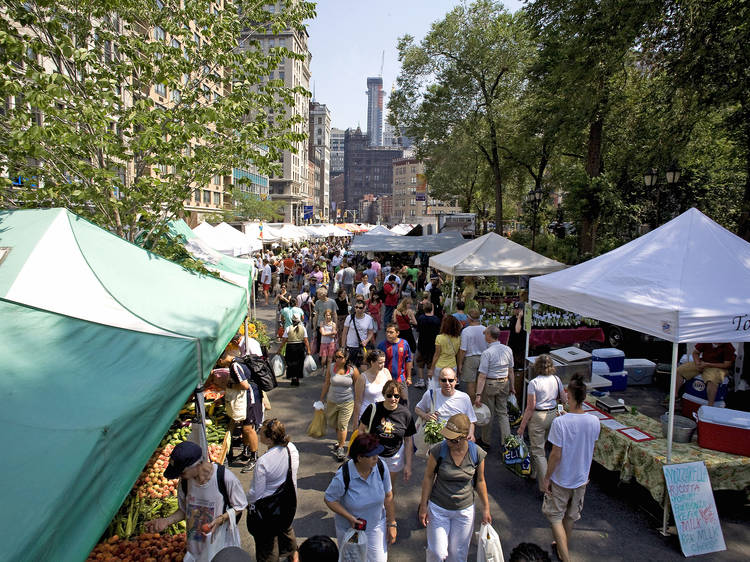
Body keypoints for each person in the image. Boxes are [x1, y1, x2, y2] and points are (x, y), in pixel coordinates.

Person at [145, 441, 248, 561]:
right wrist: (166, 521)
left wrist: (220, 519)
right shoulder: (184, 483)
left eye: (182, 472)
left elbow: (240, 506)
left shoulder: (224, 477)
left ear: (196, 465)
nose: (180, 476)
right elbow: (184, 510)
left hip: (219, 545)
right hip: (195, 548)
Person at [542, 374, 600, 562]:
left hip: (562, 477)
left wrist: (547, 477)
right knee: (570, 516)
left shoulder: (560, 423)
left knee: (555, 517)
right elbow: (588, 445)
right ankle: (562, 546)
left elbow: (555, 454)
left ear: (569, 395)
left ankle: (565, 557)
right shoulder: (594, 421)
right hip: (581, 477)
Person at [418, 414, 491, 562]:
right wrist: (423, 506)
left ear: (464, 437)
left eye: (453, 439)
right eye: (447, 437)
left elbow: (481, 481)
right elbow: (428, 477)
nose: (448, 442)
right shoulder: (439, 450)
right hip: (439, 508)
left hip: (464, 512)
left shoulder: (476, 453)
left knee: (457, 556)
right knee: (437, 553)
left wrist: (486, 508)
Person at [324, 434, 397, 562]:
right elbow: (329, 499)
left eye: (377, 454)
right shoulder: (343, 476)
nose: (376, 458)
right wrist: (350, 518)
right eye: (372, 456)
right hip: (352, 531)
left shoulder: (380, 467)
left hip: (375, 527)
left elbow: (388, 496)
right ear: (360, 458)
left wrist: (392, 524)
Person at [246, 419, 300, 562]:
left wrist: (246, 500)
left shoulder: (263, 462)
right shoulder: (291, 449)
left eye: (262, 433)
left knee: (267, 547)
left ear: (269, 439)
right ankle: (294, 556)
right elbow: (292, 476)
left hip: (268, 510)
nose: (259, 434)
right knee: (286, 529)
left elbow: (256, 494)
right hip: (286, 502)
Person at [517, 354, 567, 491]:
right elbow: (563, 398)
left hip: (538, 417)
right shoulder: (556, 379)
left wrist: (522, 426)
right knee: (541, 445)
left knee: (538, 451)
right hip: (553, 415)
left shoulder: (534, 383)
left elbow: (530, 407)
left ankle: (545, 486)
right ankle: (533, 473)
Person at [358, 380, 416, 485]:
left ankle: (387, 502)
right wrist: (364, 450)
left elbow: (408, 441)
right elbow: (361, 429)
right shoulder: (373, 409)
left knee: (389, 487)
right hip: (374, 454)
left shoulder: (405, 414)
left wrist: (408, 465)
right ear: (384, 394)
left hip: (395, 456)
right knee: (372, 485)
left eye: (396, 396)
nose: (393, 399)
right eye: (389, 395)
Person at [474, 325, 515, 448]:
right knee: (503, 413)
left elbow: (482, 375)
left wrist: (478, 394)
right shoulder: (508, 349)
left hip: (490, 383)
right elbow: (511, 370)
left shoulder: (487, 353)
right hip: (504, 382)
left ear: (489, 336)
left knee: (488, 413)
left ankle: (486, 440)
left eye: (486, 333)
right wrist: (512, 386)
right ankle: (507, 441)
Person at [415, 368, 477, 441]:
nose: (447, 383)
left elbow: (471, 421)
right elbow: (417, 409)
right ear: (439, 380)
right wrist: (425, 416)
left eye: (450, 380)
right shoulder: (430, 395)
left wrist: (471, 434)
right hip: (437, 439)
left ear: (456, 380)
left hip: (458, 439)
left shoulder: (464, 398)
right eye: (444, 380)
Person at [320, 349, 360, 461]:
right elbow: (327, 382)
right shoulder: (331, 367)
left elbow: (359, 386)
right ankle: (340, 441)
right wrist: (321, 398)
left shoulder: (353, 370)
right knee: (334, 424)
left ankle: (341, 448)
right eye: (336, 356)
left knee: (342, 424)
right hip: (332, 401)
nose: (338, 359)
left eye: (340, 357)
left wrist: (359, 401)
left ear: (346, 358)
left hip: (347, 402)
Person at [378, 323, 414, 404]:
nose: (388, 334)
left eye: (391, 332)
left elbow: (408, 360)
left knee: (404, 401)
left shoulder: (404, 344)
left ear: (397, 333)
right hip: (386, 380)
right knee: (387, 402)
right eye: (387, 332)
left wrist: (409, 377)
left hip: (400, 379)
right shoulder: (381, 346)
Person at [456, 309, 487, 400]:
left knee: (471, 383)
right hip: (484, 357)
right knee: (481, 382)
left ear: (469, 318)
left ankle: (473, 404)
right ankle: (480, 404)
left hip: (470, 358)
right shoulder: (485, 329)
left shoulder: (466, 331)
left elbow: (463, 349)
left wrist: (460, 363)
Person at [354, 349, 392, 421]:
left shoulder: (386, 372)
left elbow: (392, 393)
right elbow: (358, 401)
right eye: (380, 363)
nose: (383, 365)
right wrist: (355, 422)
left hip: (384, 415)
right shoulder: (362, 378)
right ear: (372, 362)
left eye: (384, 362)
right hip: (367, 416)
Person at [429, 315, 462, 389]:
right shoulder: (458, 338)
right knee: (450, 388)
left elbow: (436, 355)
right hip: (452, 366)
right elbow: (459, 354)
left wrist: (431, 369)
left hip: (440, 366)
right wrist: (459, 365)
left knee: (437, 386)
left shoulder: (439, 338)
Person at [341, 299, 376, 369]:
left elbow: (370, 332)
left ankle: (362, 379)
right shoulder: (349, 318)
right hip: (351, 346)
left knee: (364, 366)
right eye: (356, 307)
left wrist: (366, 341)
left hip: (362, 346)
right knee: (351, 367)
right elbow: (344, 333)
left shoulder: (368, 319)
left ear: (364, 308)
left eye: (360, 308)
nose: (357, 309)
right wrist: (343, 347)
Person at [415, 302, 442, 389]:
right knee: (431, 363)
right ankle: (429, 380)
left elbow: (418, 330)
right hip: (433, 344)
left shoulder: (421, 318)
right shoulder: (436, 319)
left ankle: (421, 380)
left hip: (422, 343)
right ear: (432, 309)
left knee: (420, 363)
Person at [280, 313, 311, 387]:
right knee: (299, 363)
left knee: (290, 363)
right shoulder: (303, 328)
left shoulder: (288, 328)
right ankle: (297, 378)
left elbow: (284, 340)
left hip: (290, 346)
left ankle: (293, 378)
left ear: (292, 320)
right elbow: (306, 340)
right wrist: (308, 350)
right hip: (300, 346)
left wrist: (280, 349)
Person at [318, 309, 338, 376]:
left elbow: (333, 336)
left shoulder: (333, 324)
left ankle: (328, 372)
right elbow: (323, 333)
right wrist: (332, 332)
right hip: (323, 343)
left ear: (331, 316)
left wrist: (329, 333)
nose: (328, 316)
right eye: (326, 315)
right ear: (324, 316)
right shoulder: (322, 323)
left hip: (331, 343)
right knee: (323, 360)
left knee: (330, 359)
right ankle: (323, 367)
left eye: (329, 315)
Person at [507, 301, 527, 368]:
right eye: (515, 309)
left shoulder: (524, 319)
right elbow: (511, 332)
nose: (515, 310)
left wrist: (519, 318)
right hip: (512, 344)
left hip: (520, 346)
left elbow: (517, 330)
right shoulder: (512, 318)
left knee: (519, 362)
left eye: (518, 309)